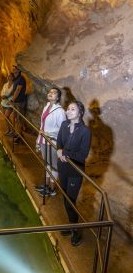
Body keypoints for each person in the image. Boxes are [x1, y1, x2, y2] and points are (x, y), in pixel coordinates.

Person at [56, 101, 91, 246]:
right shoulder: (64, 125)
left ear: (80, 112)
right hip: (63, 167)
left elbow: (82, 155)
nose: (68, 111)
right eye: (68, 109)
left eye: (72, 109)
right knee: (65, 199)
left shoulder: (85, 131)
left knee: (71, 201)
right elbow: (59, 142)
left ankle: (75, 230)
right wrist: (59, 149)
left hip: (75, 171)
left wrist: (64, 152)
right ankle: (72, 225)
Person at [35, 88, 66, 197]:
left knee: (53, 166)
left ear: (58, 97)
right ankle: (46, 185)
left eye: (54, 93)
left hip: (52, 142)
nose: (50, 93)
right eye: (50, 92)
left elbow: (62, 129)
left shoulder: (60, 111)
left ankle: (52, 189)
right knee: (47, 164)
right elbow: (42, 126)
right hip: (43, 141)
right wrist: (38, 140)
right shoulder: (46, 106)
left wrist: (48, 133)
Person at [8, 66, 27, 143]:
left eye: (15, 68)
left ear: (19, 70)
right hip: (16, 102)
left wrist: (12, 100)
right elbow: (13, 90)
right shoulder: (16, 79)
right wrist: (8, 96)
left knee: (19, 119)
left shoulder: (21, 79)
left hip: (19, 102)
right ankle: (18, 134)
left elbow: (18, 90)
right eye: (14, 68)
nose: (14, 69)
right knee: (16, 118)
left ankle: (20, 136)